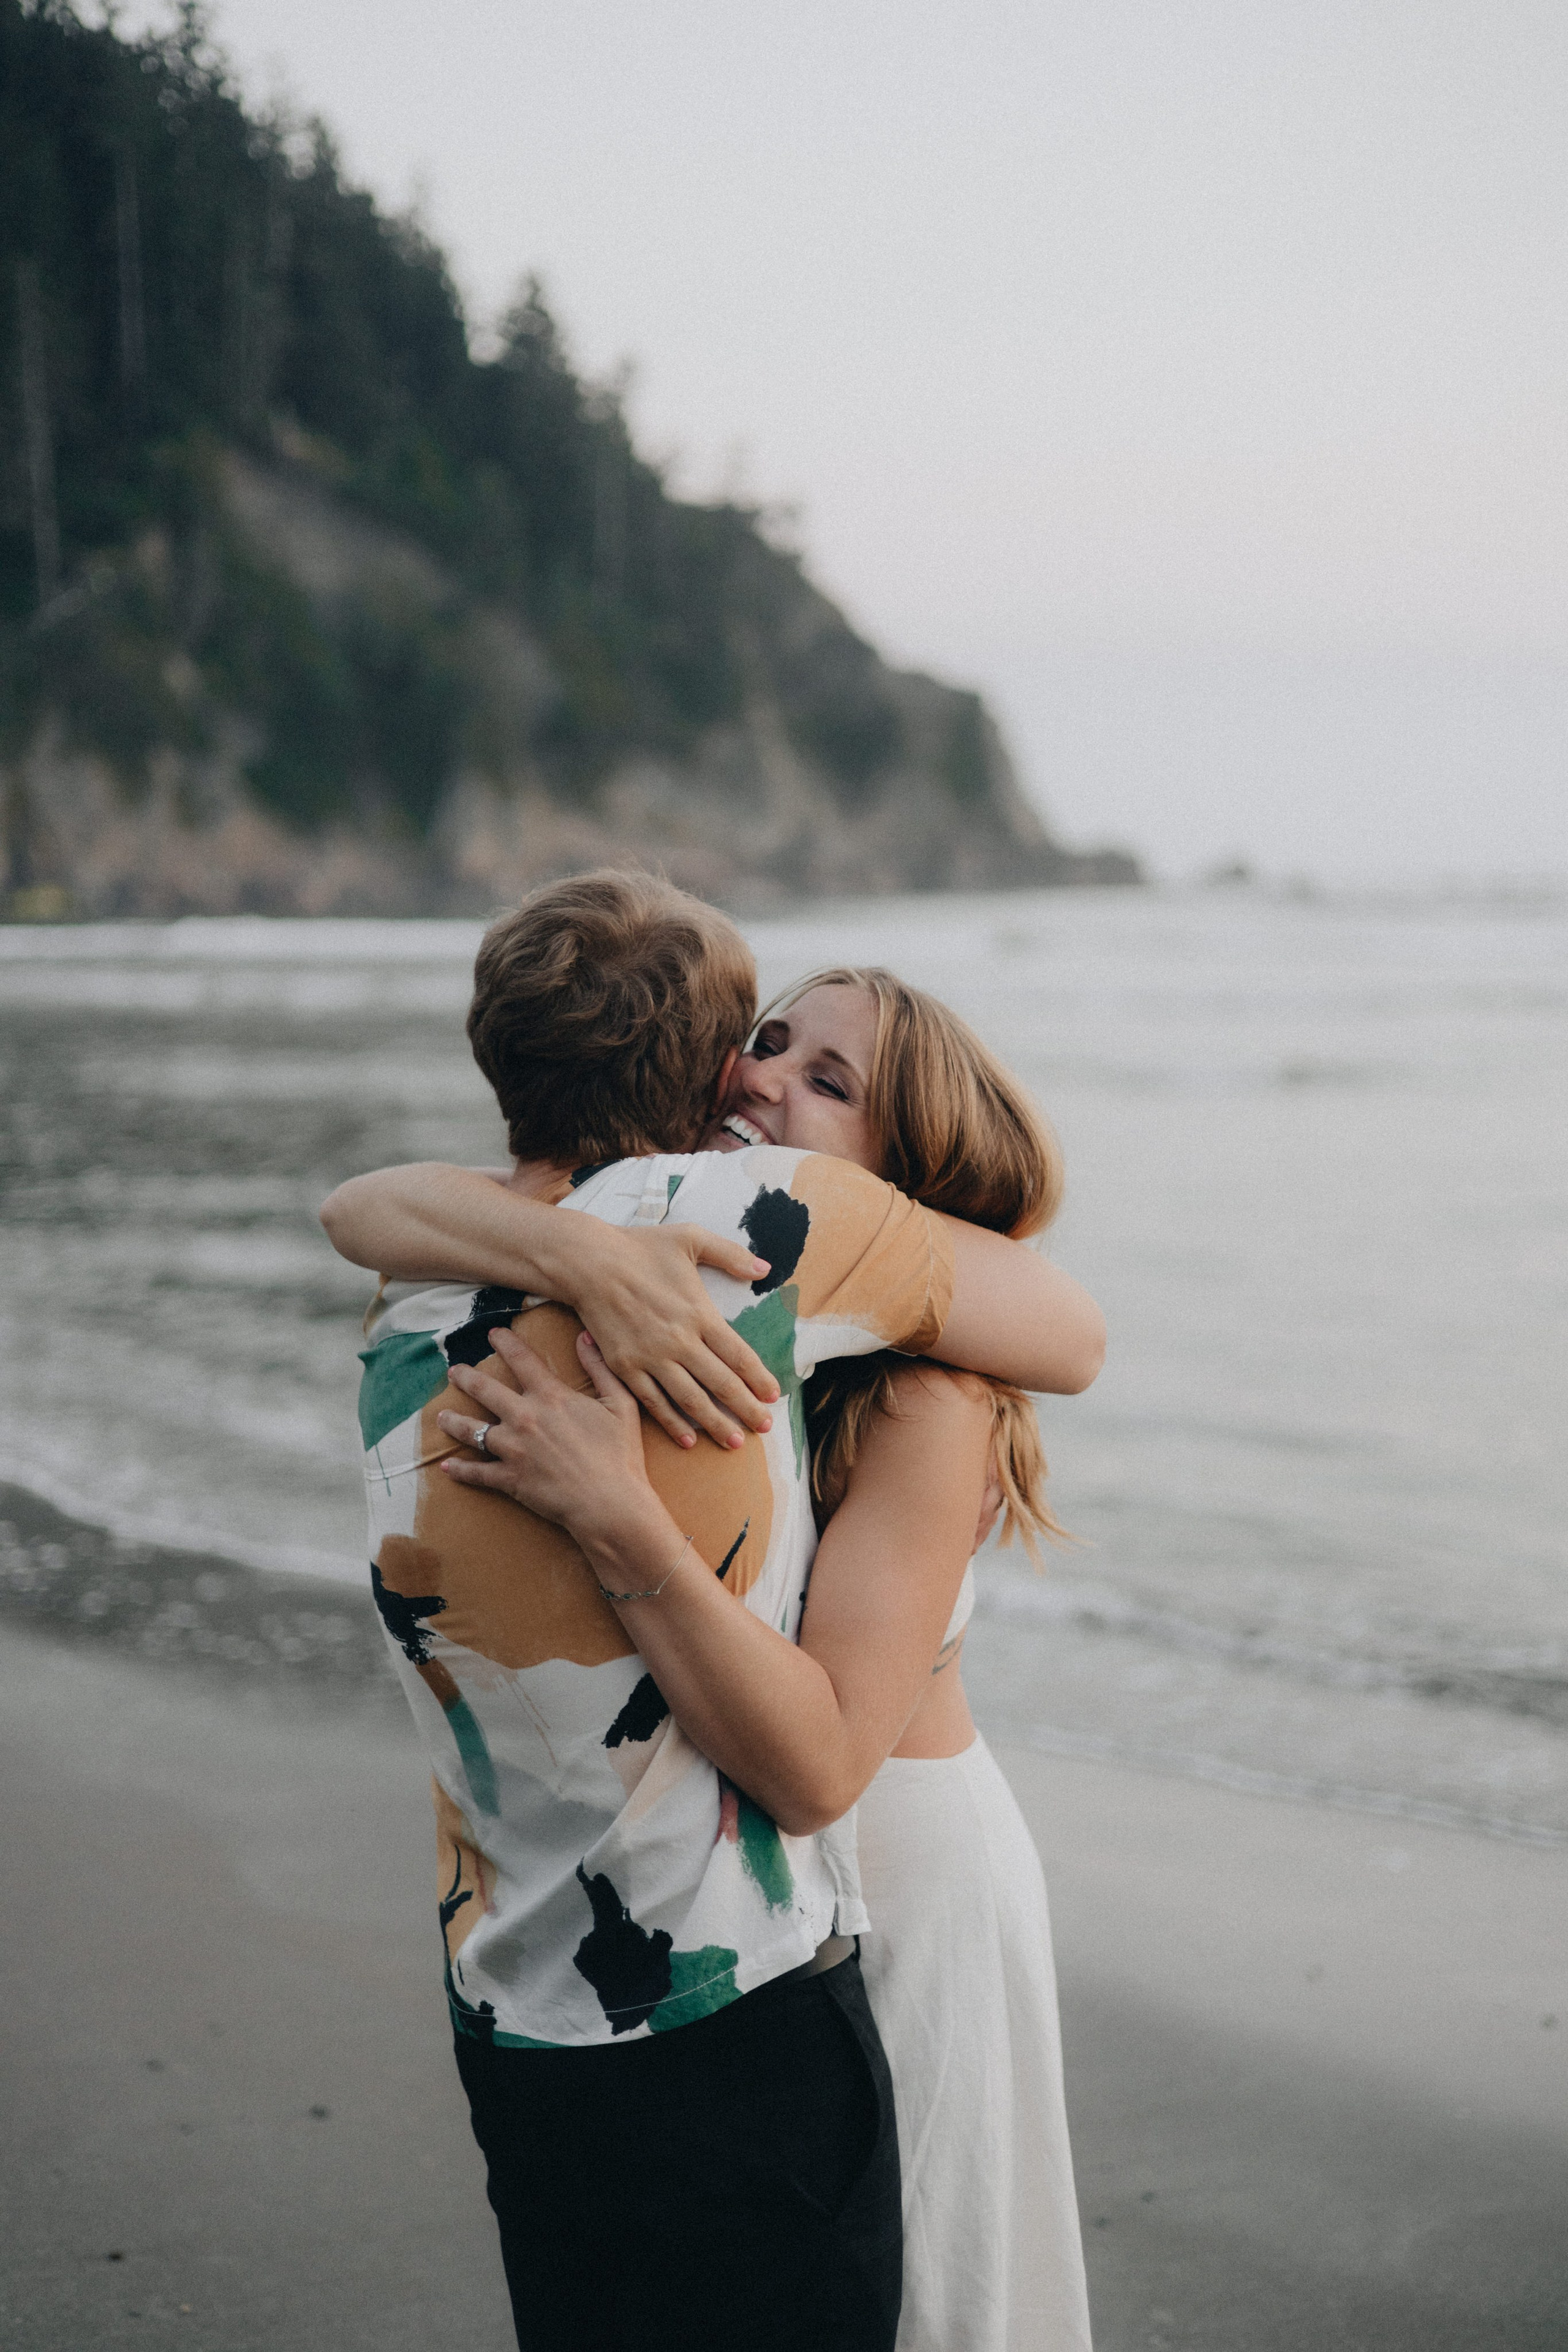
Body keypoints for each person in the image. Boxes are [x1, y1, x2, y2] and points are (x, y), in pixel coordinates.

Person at [319, 870, 1104, 2352]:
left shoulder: (914, 1386)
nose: (758, 1079)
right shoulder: (716, 1282)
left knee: (932, 2302)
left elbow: (1070, 1336)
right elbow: (366, 1207)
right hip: (757, 1877)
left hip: (895, 1867)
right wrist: (576, 1252)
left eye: (827, 1080)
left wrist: (612, 1506)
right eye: (765, 1039)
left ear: (896, 1171)